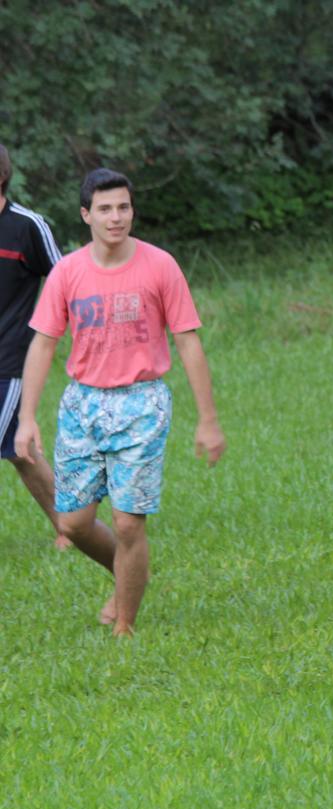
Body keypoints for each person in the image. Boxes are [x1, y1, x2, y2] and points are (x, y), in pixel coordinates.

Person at [14, 168, 226, 636]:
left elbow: (188, 342)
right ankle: (133, 573)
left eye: (124, 207)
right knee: (72, 523)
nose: (116, 217)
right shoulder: (68, 272)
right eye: (105, 209)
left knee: (129, 525)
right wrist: (27, 417)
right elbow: (44, 345)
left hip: (142, 403)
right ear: (86, 214)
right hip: (81, 405)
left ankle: (125, 626)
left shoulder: (160, 265)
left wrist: (208, 421)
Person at [0, 142, 77, 551]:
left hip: (8, 361)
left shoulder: (27, 226)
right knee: (20, 449)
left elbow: (66, 282)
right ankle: (70, 526)